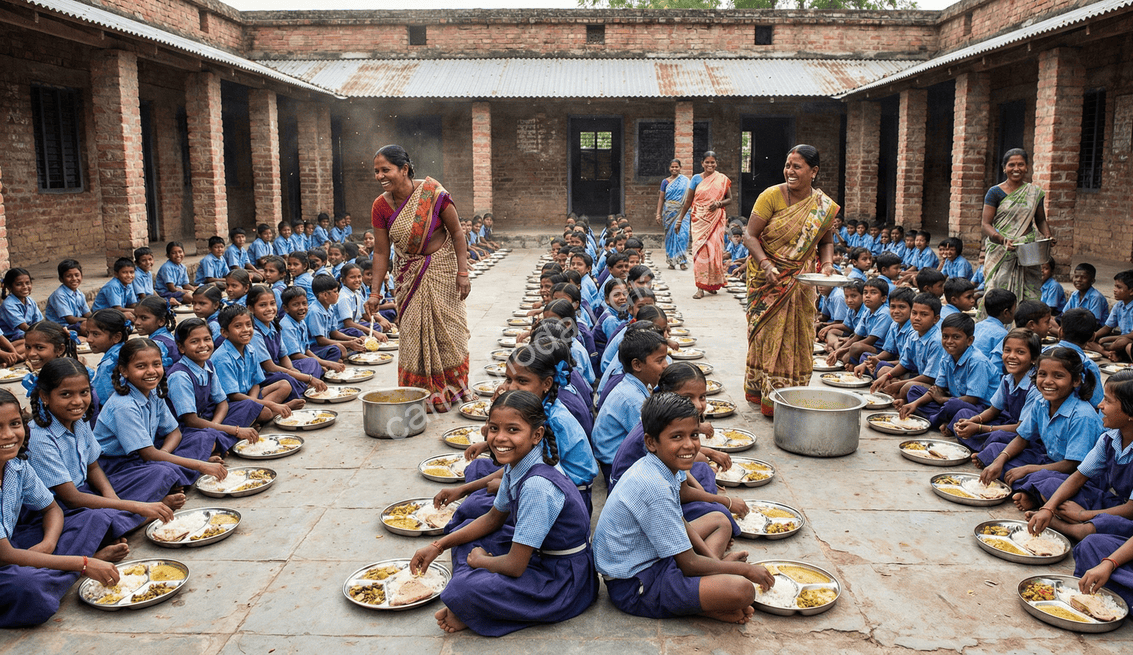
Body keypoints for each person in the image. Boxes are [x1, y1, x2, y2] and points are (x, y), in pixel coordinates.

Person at [412, 391, 597, 636]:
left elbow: (515, 566)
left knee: (462, 587)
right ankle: (473, 603)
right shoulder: (517, 464)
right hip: (539, 555)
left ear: (537, 435)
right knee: (463, 536)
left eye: (513, 430)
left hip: (563, 579)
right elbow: (492, 518)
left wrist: (481, 561)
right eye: (493, 428)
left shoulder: (537, 486)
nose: (500, 438)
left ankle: (471, 607)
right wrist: (438, 546)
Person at [594, 392, 773, 624]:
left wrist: (720, 567)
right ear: (651, 442)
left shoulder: (662, 466)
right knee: (743, 590)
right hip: (635, 584)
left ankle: (707, 587)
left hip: (657, 557)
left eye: (694, 435)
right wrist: (742, 571)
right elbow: (689, 565)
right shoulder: (653, 486)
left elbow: (681, 522)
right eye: (677, 437)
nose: (689, 444)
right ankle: (700, 604)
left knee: (720, 520)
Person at [0, 388, 128, 628]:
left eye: (15, 423)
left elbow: (52, 509)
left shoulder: (16, 465)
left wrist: (48, 544)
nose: (8, 435)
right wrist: (84, 564)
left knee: (92, 518)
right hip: (5, 556)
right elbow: (5, 555)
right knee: (29, 588)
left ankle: (58, 573)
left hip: (10, 544)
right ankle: (74, 570)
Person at [365, 145, 471, 412]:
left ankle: (457, 389)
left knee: (451, 332)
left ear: (404, 169)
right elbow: (381, 251)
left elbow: (457, 233)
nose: (379, 176)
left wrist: (463, 272)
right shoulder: (380, 206)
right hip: (407, 276)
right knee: (413, 336)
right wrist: (375, 292)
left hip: (442, 270)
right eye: (376, 171)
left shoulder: (434, 194)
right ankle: (419, 394)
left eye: (385, 170)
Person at [28, 358, 176, 539]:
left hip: (86, 491)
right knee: (97, 519)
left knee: (159, 471)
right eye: (66, 394)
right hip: (59, 507)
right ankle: (142, 515)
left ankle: (134, 515)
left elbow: (93, 467)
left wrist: (111, 496)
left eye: (84, 392)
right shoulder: (39, 437)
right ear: (44, 396)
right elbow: (71, 498)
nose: (77, 401)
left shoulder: (79, 421)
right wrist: (135, 506)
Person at [742, 145, 839, 417]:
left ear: (813, 171)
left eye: (797, 166)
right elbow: (750, 236)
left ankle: (790, 394)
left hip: (801, 282)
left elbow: (826, 242)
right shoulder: (771, 196)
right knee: (766, 334)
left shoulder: (822, 206)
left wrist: (827, 265)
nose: (790, 171)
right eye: (788, 165)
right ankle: (762, 391)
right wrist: (766, 264)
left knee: (798, 336)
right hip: (767, 278)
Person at [94, 339, 228, 490]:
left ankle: (180, 472)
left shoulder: (153, 393)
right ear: (124, 371)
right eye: (141, 366)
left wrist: (163, 454)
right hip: (118, 465)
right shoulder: (123, 406)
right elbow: (148, 455)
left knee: (204, 436)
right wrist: (199, 465)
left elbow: (174, 432)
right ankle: (181, 474)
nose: (151, 371)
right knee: (161, 472)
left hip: (148, 454)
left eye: (156, 364)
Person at [977, 348, 1102, 505]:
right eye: (1042, 374)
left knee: (1047, 482)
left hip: (1077, 475)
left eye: (1058, 376)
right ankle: (1030, 490)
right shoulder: (1041, 402)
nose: (1048, 381)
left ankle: (1035, 496)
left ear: (1076, 380)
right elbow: (1022, 438)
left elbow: (1073, 465)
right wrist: (999, 461)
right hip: (1048, 461)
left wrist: (1028, 469)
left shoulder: (1082, 416)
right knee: (998, 454)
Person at [1023, 370, 1133, 543]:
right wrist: (1048, 508)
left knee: (1094, 533)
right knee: (1050, 485)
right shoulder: (1109, 438)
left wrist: (1083, 514)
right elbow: (1078, 476)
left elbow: (1130, 509)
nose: (1100, 405)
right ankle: (1067, 520)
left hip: (1128, 514)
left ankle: (1068, 527)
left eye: (1108, 401)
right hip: (1114, 503)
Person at [980, 148, 1053, 306]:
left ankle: (1025, 321)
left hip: (1028, 249)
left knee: (1030, 294)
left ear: (1027, 167)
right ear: (1004, 168)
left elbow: (1040, 220)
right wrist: (1002, 239)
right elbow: (986, 224)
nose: (1016, 168)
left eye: (1021, 164)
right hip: (1001, 249)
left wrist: (1047, 235)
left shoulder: (1034, 193)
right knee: (998, 292)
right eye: (1011, 165)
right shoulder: (995, 192)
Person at [675, 152, 732, 299]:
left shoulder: (722, 179)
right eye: (707, 162)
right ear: (702, 163)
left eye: (712, 162)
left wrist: (719, 203)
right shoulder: (695, 179)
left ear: (716, 163)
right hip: (699, 220)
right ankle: (700, 287)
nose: (710, 165)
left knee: (714, 253)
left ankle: (711, 284)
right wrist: (680, 220)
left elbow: (730, 199)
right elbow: (688, 201)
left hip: (716, 220)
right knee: (700, 253)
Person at [655, 159, 691, 271]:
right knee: (670, 237)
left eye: (676, 167)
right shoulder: (665, 182)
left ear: (680, 168)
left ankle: (682, 261)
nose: (674, 169)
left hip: (683, 212)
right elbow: (661, 199)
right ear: (669, 168)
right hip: (669, 213)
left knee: (683, 236)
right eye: (672, 167)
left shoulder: (686, 181)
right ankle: (671, 261)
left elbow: (689, 198)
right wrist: (658, 214)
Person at [0, 268, 43, 359]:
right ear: (9, 287)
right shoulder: (8, 304)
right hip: (12, 339)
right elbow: (23, 327)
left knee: (37, 342)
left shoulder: (30, 301)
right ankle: (13, 357)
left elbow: (38, 322)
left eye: (27, 283)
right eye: (19, 284)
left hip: (25, 335)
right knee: (33, 343)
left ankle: (16, 358)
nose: (25, 287)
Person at [45, 259, 90, 334]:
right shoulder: (59, 295)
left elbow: (87, 313)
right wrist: (91, 320)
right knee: (87, 327)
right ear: (61, 279)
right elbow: (70, 320)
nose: (74, 279)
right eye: (69, 276)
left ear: (81, 276)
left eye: (77, 275)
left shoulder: (79, 293)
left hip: (74, 324)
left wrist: (96, 319)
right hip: (61, 328)